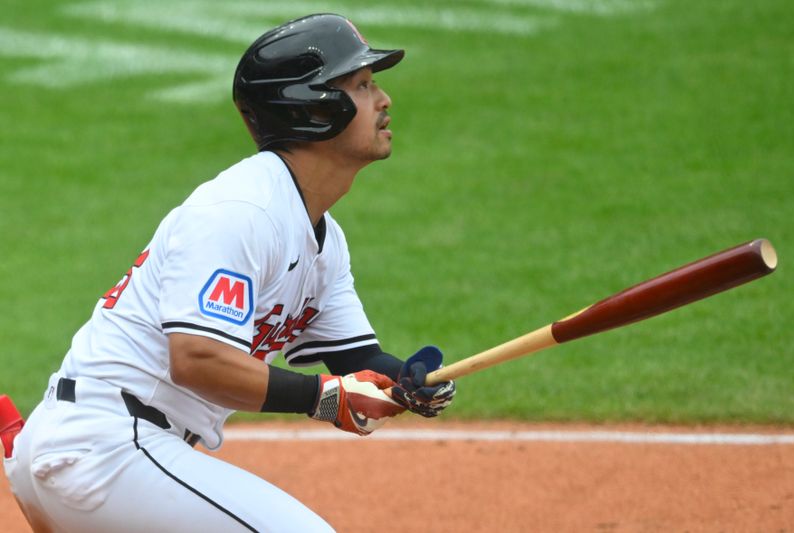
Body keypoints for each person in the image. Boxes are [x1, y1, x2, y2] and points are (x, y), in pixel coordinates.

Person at [3, 13, 456, 532]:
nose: (383, 100)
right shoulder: (244, 210)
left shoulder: (319, 234)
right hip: (107, 449)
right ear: (313, 108)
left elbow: (355, 357)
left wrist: (410, 381)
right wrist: (323, 398)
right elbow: (197, 361)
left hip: (109, 451)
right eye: (361, 85)